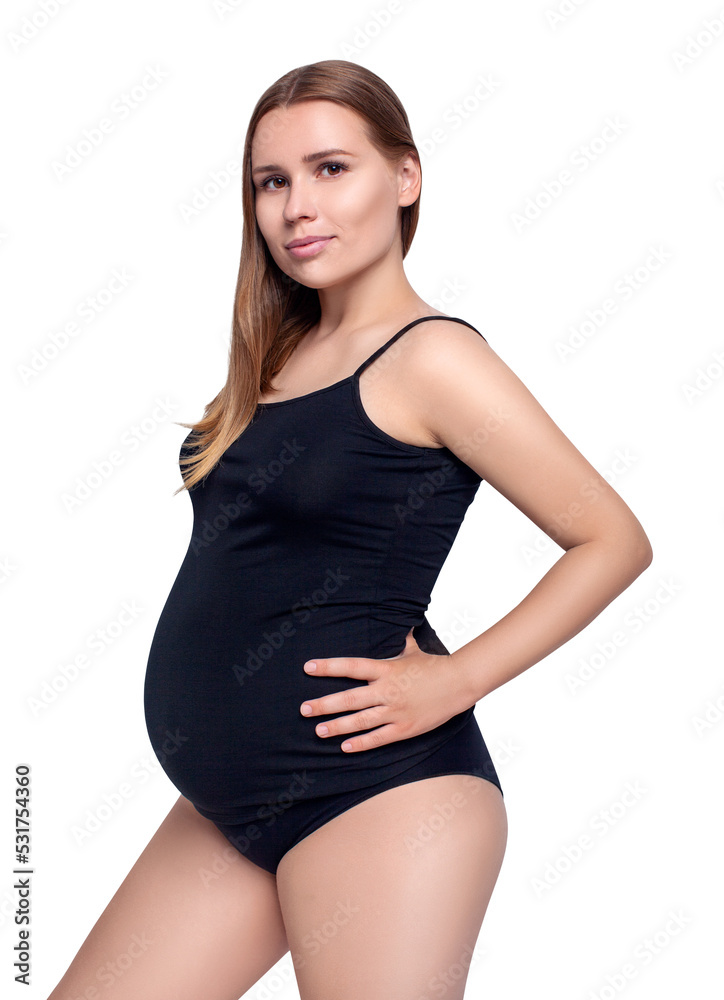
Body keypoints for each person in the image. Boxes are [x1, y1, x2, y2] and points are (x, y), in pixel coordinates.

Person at [46, 59, 653, 1000]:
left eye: (332, 169)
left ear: (404, 179)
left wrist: (455, 678)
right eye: (273, 181)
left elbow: (612, 539)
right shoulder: (280, 353)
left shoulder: (436, 357)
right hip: (230, 806)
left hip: (378, 794)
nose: (297, 207)